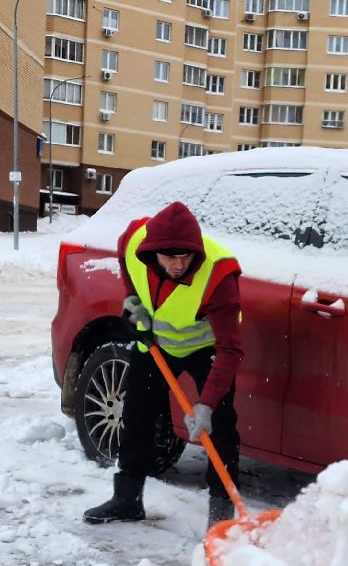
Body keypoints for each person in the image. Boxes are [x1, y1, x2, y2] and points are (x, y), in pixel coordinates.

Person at [84, 200, 244, 530]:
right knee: (137, 414)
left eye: (185, 257)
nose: (178, 265)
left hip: (207, 348)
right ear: (152, 251)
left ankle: (221, 517)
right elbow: (125, 259)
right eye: (169, 257)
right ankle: (127, 499)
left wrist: (207, 405)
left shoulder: (219, 274)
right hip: (158, 343)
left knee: (222, 426)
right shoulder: (134, 242)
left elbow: (231, 349)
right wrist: (133, 300)